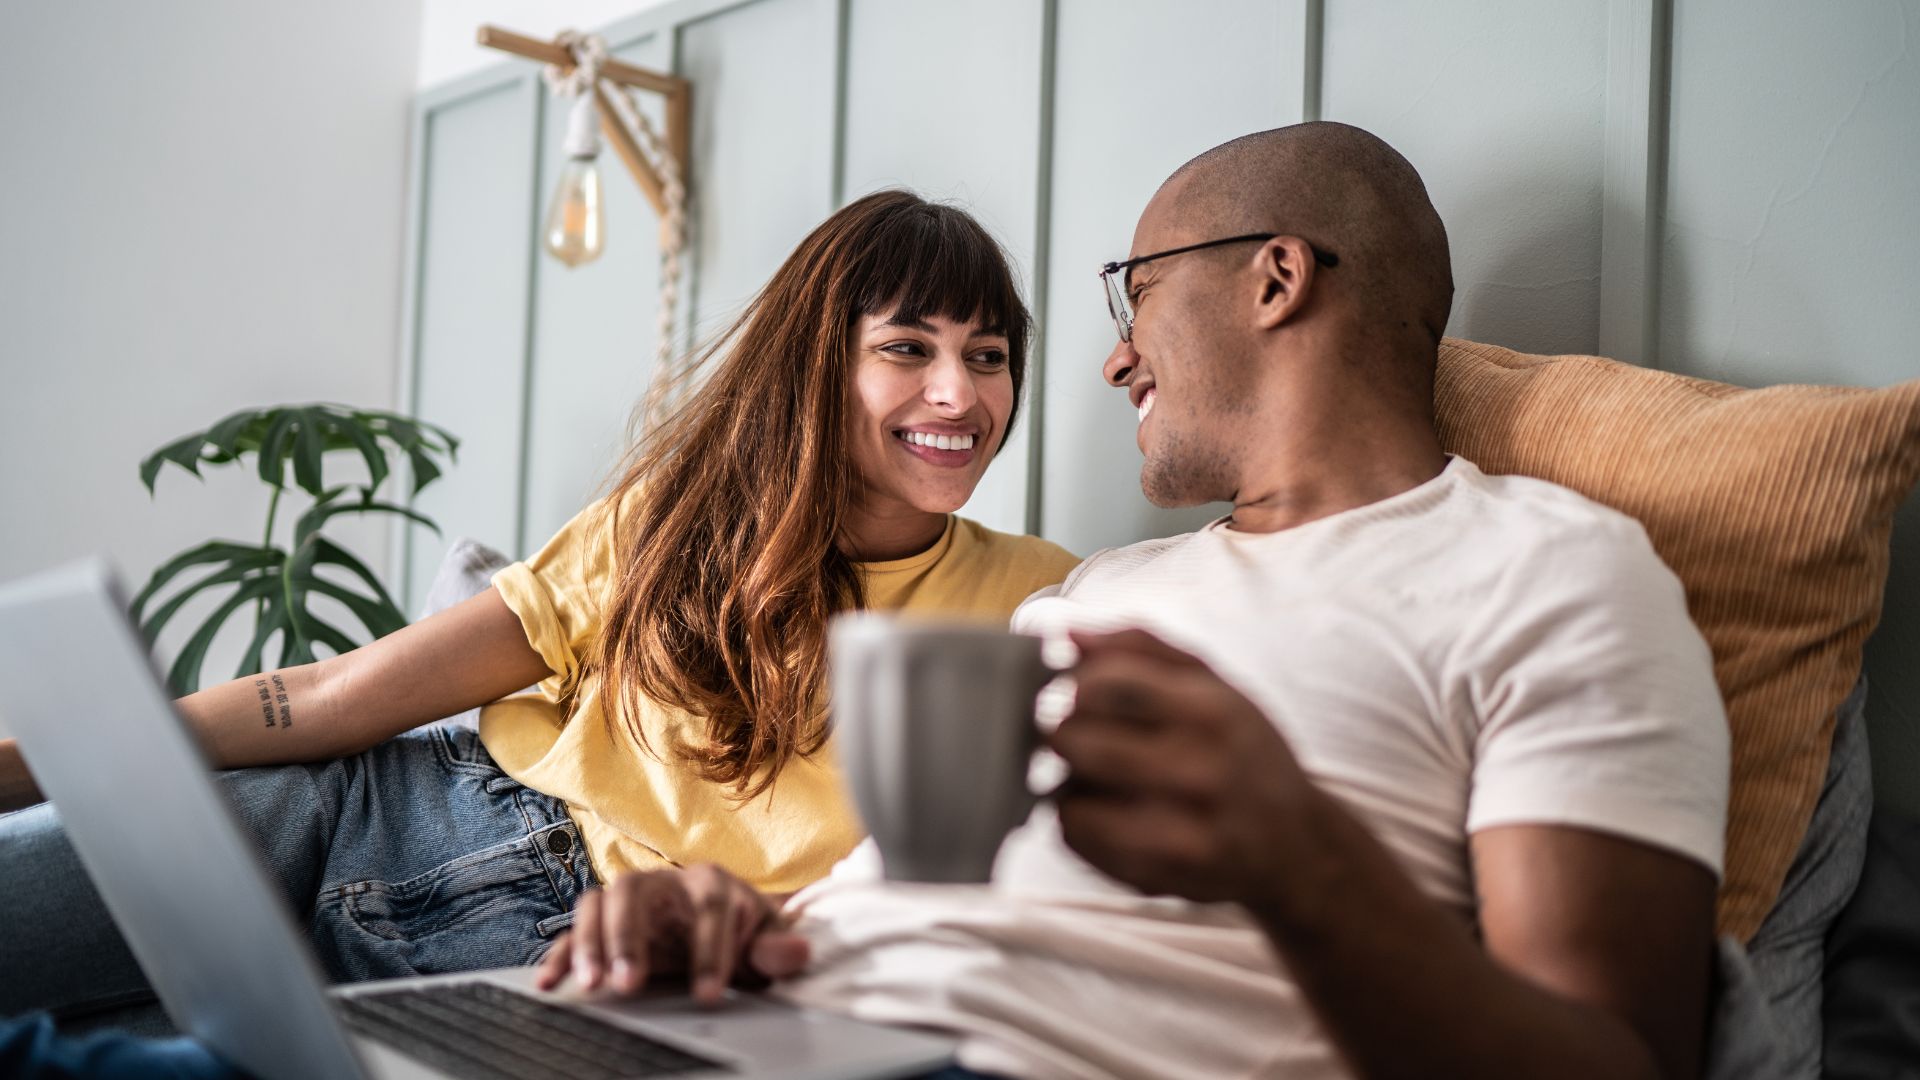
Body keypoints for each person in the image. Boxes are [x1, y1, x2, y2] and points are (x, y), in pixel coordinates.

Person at [537, 123, 1733, 1080]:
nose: (1114, 358)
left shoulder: (1551, 572)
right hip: (749, 1025)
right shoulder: (1099, 589)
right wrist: (737, 920)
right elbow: (915, 896)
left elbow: (1618, 1057)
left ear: (1276, 279)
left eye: (1138, 293)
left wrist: (1303, 862)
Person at [0, 189, 1080, 1030]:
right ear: (815, 367)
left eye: (989, 358)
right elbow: (334, 695)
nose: (961, 396)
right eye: (908, 348)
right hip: (397, 809)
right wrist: (52, 757)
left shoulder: (1042, 597)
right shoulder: (674, 526)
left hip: (577, 958)